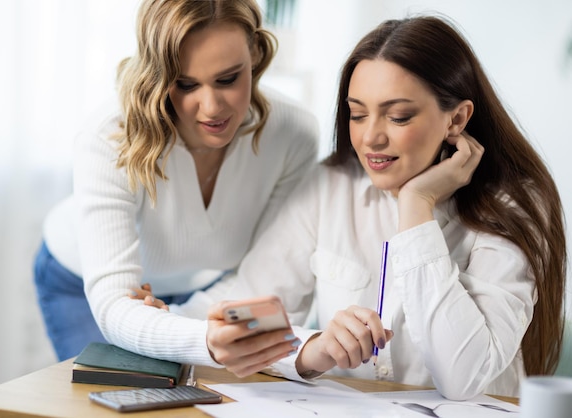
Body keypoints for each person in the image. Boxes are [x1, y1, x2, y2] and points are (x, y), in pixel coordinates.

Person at [140, 15, 566, 400]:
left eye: (397, 117)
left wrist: (416, 206)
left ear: (456, 120)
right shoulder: (331, 186)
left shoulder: (514, 206)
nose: (370, 139)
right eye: (358, 115)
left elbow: (463, 379)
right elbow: (253, 308)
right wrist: (177, 321)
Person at [33, 0, 319, 362]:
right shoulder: (108, 136)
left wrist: (189, 325)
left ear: (257, 54)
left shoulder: (293, 135)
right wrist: (202, 339)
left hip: (202, 290)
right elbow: (115, 304)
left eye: (228, 79)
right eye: (185, 84)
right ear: (158, 76)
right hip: (82, 281)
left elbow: (259, 271)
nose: (212, 107)